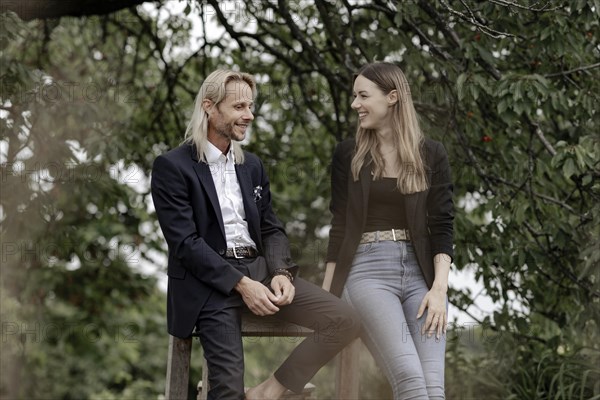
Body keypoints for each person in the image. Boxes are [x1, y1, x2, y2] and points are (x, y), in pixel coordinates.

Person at [151, 69, 360, 400]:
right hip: (210, 286)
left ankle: (269, 390)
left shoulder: (252, 166)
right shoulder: (172, 166)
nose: (248, 115)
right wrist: (241, 284)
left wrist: (279, 272)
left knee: (346, 319)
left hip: (260, 271)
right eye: (238, 107)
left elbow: (271, 227)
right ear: (209, 106)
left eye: (250, 106)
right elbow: (186, 244)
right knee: (228, 389)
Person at [324, 62, 454, 399]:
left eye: (363, 96)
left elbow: (442, 224)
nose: (355, 105)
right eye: (355, 96)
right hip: (366, 272)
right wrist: (325, 294)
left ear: (392, 97)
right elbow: (339, 226)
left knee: (433, 388)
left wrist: (439, 290)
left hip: (419, 276)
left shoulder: (431, 154)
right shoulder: (347, 155)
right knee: (410, 380)